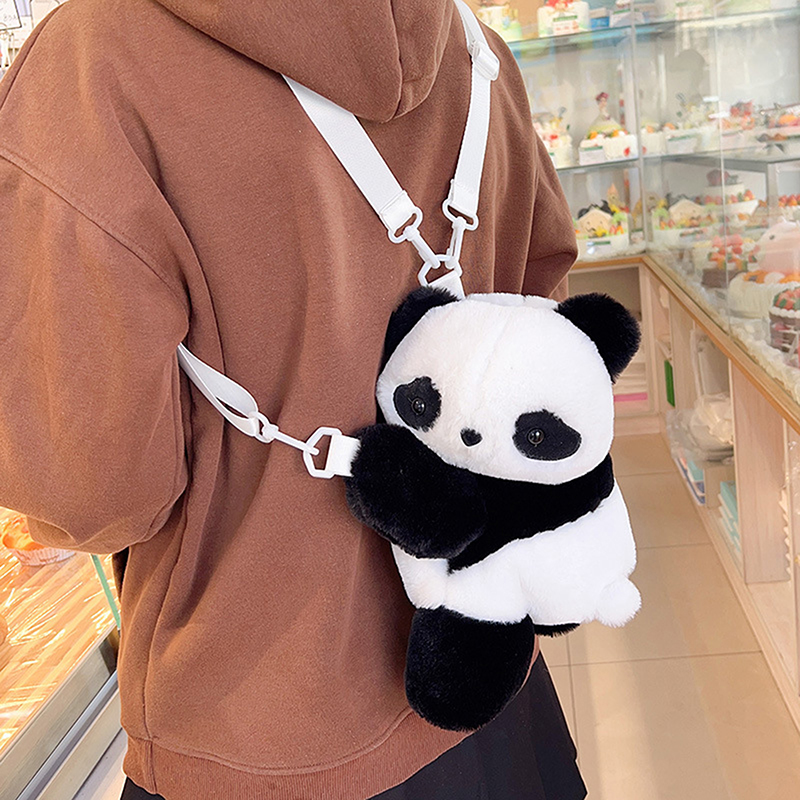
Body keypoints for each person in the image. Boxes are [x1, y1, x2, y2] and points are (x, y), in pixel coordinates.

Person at [0, 0, 585, 798]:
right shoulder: (474, 46)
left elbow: (92, 493)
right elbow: (546, 326)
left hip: (258, 723)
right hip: (486, 672)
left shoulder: (93, 64)